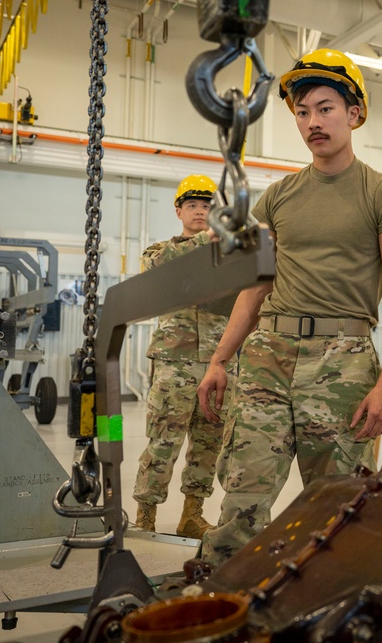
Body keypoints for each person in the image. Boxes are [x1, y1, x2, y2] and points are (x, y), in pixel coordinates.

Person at [197, 49, 382, 565]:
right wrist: (220, 359)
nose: (313, 122)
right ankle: (220, 602)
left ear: (354, 113)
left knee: (338, 506)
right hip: (268, 355)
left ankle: (329, 604)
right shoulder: (278, 197)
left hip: (342, 362)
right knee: (243, 497)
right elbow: (255, 288)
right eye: (302, 112)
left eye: (325, 108)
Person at [133, 174, 234, 539]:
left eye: (208, 207)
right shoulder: (160, 251)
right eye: (193, 205)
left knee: (209, 445)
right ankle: (145, 515)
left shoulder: (227, 259)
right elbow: (157, 271)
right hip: (174, 365)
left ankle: (192, 514)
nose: (201, 212)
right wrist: (206, 241)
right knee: (163, 441)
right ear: (178, 211)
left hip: (216, 365)